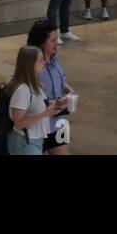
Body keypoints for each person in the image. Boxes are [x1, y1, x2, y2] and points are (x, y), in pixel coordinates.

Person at [5, 45, 67, 156]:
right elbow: (19, 123)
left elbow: (36, 105)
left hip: (35, 140)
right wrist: (45, 113)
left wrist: (55, 103)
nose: (44, 62)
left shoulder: (35, 85)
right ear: (30, 65)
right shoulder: (22, 90)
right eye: (40, 60)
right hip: (25, 142)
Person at [26, 20, 74, 155]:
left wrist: (69, 90)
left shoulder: (54, 58)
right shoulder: (32, 65)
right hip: (38, 124)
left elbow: (60, 80)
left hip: (58, 122)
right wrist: (51, 103)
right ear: (42, 42)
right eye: (53, 40)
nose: (56, 43)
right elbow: (26, 95)